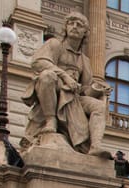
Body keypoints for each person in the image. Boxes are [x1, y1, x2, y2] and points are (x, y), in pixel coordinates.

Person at [21, 12, 111, 155]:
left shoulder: (85, 60)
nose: (74, 27)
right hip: (54, 89)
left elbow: (84, 90)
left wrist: (97, 89)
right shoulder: (55, 44)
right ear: (66, 27)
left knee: (99, 106)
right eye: (71, 23)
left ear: (85, 33)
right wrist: (65, 76)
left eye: (79, 25)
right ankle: (51, 120)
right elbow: (38, 62)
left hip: (73, 97)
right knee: (47, 76)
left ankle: (95, 146)